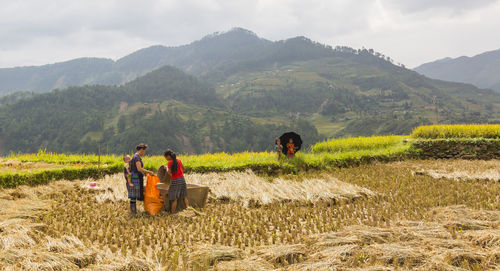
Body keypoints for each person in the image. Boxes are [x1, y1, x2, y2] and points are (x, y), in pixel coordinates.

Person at [128, 143, 155, 215]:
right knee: (134, 195)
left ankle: (133, 211)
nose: (144, 153)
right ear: (141, 150)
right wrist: (149, 172)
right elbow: (139, 169)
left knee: (134, 194)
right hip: (136, 178)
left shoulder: (135, 156)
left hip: (134, 177)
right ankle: (133, 212)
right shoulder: (137, 157)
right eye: (144, 151)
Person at [163, 149, 189, 213]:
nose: (166, 158)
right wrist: (179, 173)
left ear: (169, 156)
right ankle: (188, 209)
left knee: (174, 198)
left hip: (175, 180)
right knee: (184, 196)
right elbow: (183, 168)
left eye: (166, 157)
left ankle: (172, 212)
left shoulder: (170, 163)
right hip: (182, 179)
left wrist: (166, 168)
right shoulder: (178, 160)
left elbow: (169, 172)